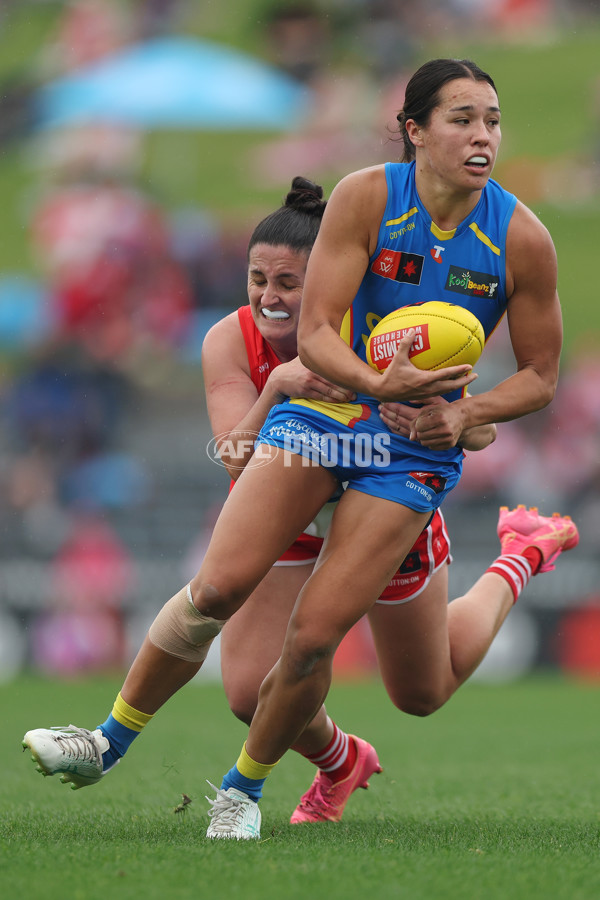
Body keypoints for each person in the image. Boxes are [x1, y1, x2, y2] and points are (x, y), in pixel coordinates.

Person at [23, 55, 579, 839]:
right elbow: (316, 335)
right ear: (414, 131)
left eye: (491, 119)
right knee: (216, 594)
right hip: (326, 427)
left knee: (376, 669)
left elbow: (543, 376)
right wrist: (365, 386)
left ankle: (239, 791)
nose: (481, 134)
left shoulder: (522, 238)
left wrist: (465, 414)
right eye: (461, 119)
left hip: (409, 453)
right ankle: (104, 744)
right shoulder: (364, 200)